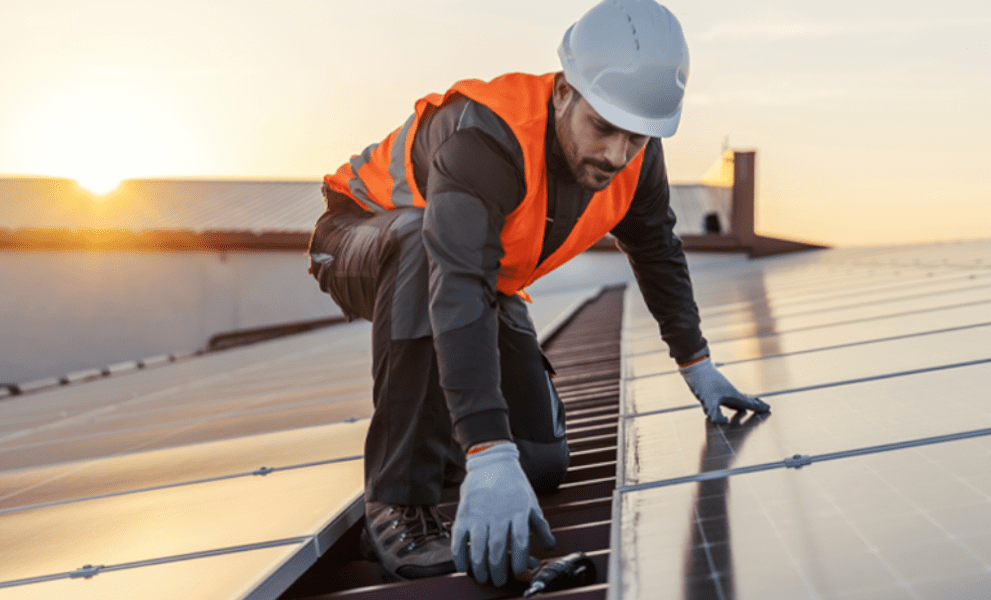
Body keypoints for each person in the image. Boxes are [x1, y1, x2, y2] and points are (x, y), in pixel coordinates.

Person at [308, 0, 770, 587]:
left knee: (542, 463)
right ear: (562, 94)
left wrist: (697, 364)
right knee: (424, 251)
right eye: (602, 127)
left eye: (636, 137)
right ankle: (398, 503)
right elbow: (456, 287)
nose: (616, 154)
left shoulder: (634, 157)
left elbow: (657, 250)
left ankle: (442, 433)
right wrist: (486, 449)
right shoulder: (486, 136)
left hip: (475, 273)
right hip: (361, 239)